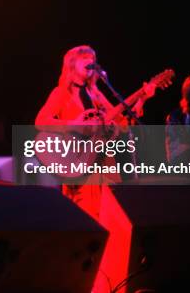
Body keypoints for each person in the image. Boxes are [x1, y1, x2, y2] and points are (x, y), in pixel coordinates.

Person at [34, 45, 155, 216]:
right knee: (85, 216)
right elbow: (41, 121)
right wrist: (73, 123)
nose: (90, 61)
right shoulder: (61, 93)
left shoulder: (96, 94)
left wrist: (142, 99)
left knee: (111, 216)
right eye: (84, 58)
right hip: (78, 162)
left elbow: (122, 123)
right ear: (72, 64)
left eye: (92, 59)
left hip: (104, 163)